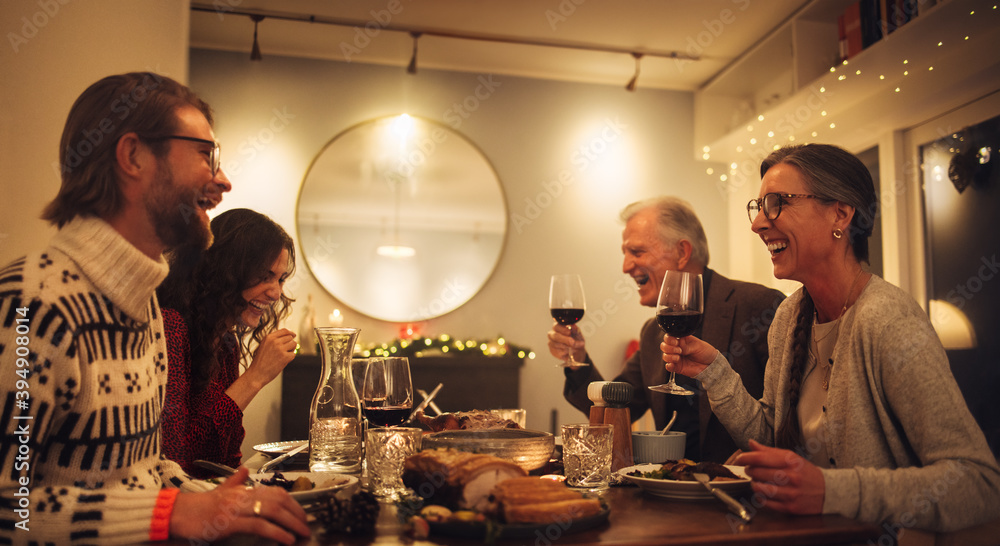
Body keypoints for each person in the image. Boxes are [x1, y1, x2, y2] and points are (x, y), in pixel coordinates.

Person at [0, 73, 309, 544]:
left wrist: (225, 501)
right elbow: (10, 507)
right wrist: (173, 513)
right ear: (133, 156)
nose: (222, 180)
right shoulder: (31, 305)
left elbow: (146, 472)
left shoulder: (143, 306)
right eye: (205, 155)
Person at [661, 143, 1000, 532]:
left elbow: (979, 483)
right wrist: (714, 372)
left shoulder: (888, 321)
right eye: (758, 207)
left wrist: (831, 491)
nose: (758, 224)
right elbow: (775, 438)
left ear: (840, 214)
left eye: (778, 203)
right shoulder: (790, 317)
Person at [553, 197, 785, 463]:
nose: (626, 266)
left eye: (637, 252)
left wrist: (758, 454)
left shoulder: (759, 306)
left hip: (740, 494)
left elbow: (789, 421)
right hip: (668, 488)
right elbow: (618, 405)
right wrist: (577, 361)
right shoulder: (653, 332)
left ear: (682, 252)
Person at [158, 208, 297, 478]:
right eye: (264, 275)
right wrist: (254, 378)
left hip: (210, 495)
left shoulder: (226, 343)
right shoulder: (170, 326)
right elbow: (179, 460)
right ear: (227, 270)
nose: (276, 292)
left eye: (280, 279)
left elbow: (227, 457)